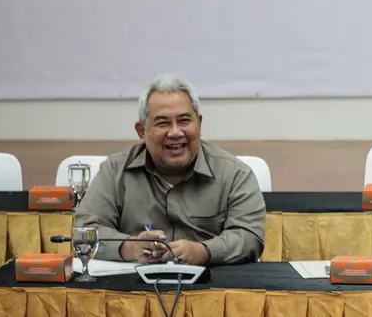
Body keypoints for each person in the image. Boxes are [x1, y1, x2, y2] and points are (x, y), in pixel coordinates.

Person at [74, 74, 266, 265]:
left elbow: (249, 237)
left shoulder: (235, 174)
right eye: (163, 123)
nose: (175, 132)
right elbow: (84, 231)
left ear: (199, 124)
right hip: (134, 288)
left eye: (184, 121)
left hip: (209, 287)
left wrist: (204, 251)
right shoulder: (115, 170)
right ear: (142, 131)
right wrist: (131, 247)